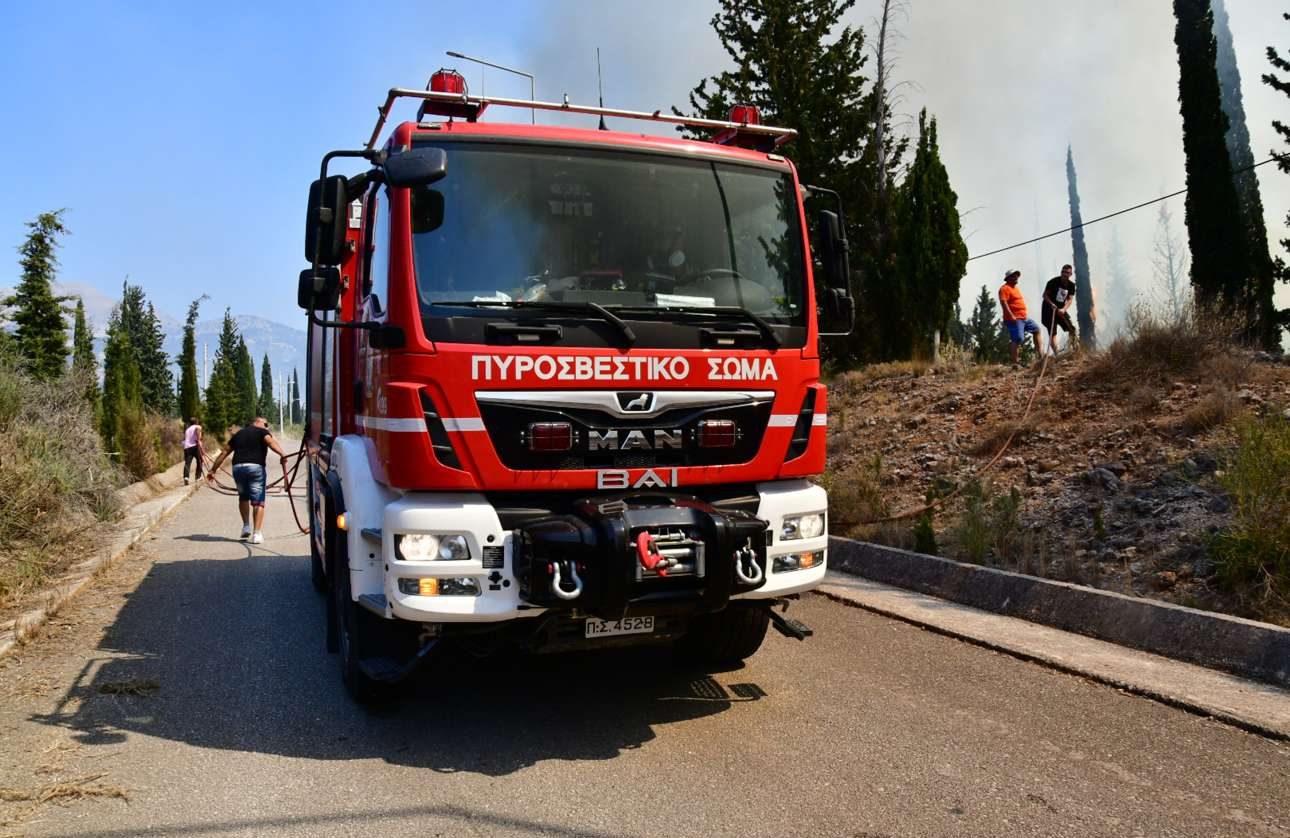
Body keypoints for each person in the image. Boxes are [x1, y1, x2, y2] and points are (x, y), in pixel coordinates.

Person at [206, 416, 287, 545]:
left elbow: (224, 453)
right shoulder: (262, 432)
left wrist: (212, 470)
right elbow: (271, 443)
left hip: (238, 469)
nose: (267, 427)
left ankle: (246, 527)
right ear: (257, 422)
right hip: (255, 468)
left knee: (243, 497)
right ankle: (257, 534)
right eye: (265, 424)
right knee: (258, 501)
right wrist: (282, 454)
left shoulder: (238, 434)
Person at [998, 269, 1043, 367]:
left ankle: (1040, 356)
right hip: (1014, 319)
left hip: (1023, 318)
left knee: (1036, 329)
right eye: (1014, 276)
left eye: (1017, 275)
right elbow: (1004, 303)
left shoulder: (1015, 288)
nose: (1016, 277)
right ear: (1008, 278)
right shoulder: (1004, 288)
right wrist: (1011, 316)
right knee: (1017, 338)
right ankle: (1015, 363)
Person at [1042, 264, 1078, 355]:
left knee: (1072, 329)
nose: (1064, 274)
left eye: (1067, 273)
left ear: (1070, 274)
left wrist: (1064, 309)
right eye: (1063, 272)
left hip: (1061, 310)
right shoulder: (1053, 282)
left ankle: (1073, 349)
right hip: (1049, 310)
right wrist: (1051, 304)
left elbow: (1070, 299)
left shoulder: (1071, 285)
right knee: (1052, 332)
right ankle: (1057, 353)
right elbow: (1045, 295)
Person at [182, 417, 204, 485]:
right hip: (195, 446)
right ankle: (198, 477)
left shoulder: (187, 430)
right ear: (196, 422)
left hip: (187, 447)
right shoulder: (198, 426)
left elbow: (185, 439)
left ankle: (186, 477)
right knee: (200, 461)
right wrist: (198, 439)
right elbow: (197, 430)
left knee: (187, 463)